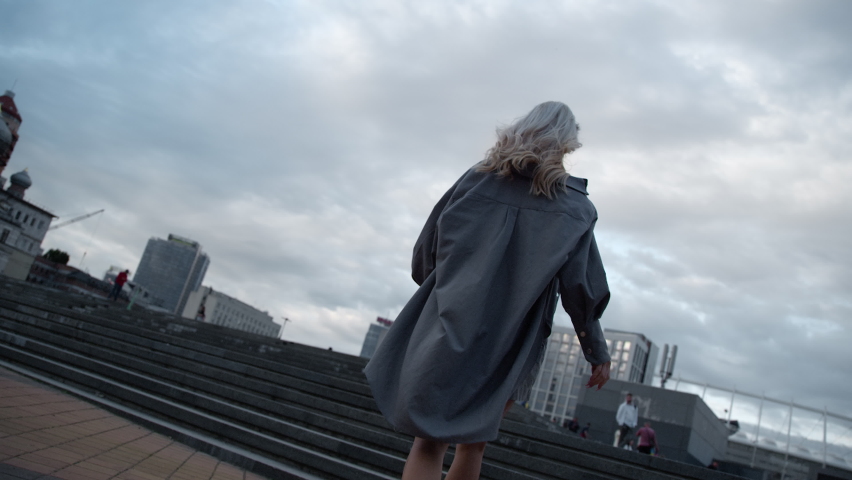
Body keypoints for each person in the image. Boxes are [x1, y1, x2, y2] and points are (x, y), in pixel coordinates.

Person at [364, 101, 612, 480]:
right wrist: (595, 350)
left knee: (428, 442)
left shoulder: (477, 179)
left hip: (451, 317)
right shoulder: (577, 208)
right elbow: (581, 286)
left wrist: (445, 293)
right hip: (513, 337)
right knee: (474, 441)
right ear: (567, 144)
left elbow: (427, 246)